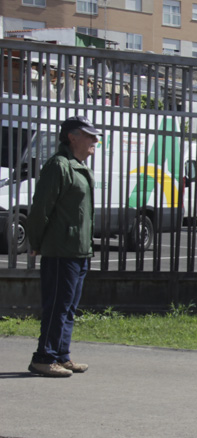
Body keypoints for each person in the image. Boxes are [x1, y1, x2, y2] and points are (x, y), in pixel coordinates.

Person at [26, 115, 100, 378]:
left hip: (79, 250)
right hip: (60, 250)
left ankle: (61, 355)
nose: (95, 141)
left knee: (68, 307)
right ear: (72, 136)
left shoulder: (79, 166)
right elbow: (41, 208)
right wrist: (35, 242)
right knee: (57, 305)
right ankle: (43, 358)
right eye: (90, 136)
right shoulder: (58, 165)